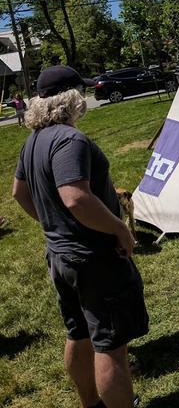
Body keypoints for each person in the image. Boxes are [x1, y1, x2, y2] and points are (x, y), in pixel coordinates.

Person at [12, 65, 148, 408]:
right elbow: (75, 196)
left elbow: (19, 193)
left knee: (79, 334)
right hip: (93, 258)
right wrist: (119, 228)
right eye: (82, 93)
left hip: (61, 257)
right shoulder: (70, 139)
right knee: (111, 345)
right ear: (71, 98)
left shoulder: (33, 142)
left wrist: (52, 225)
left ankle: (91, 404)